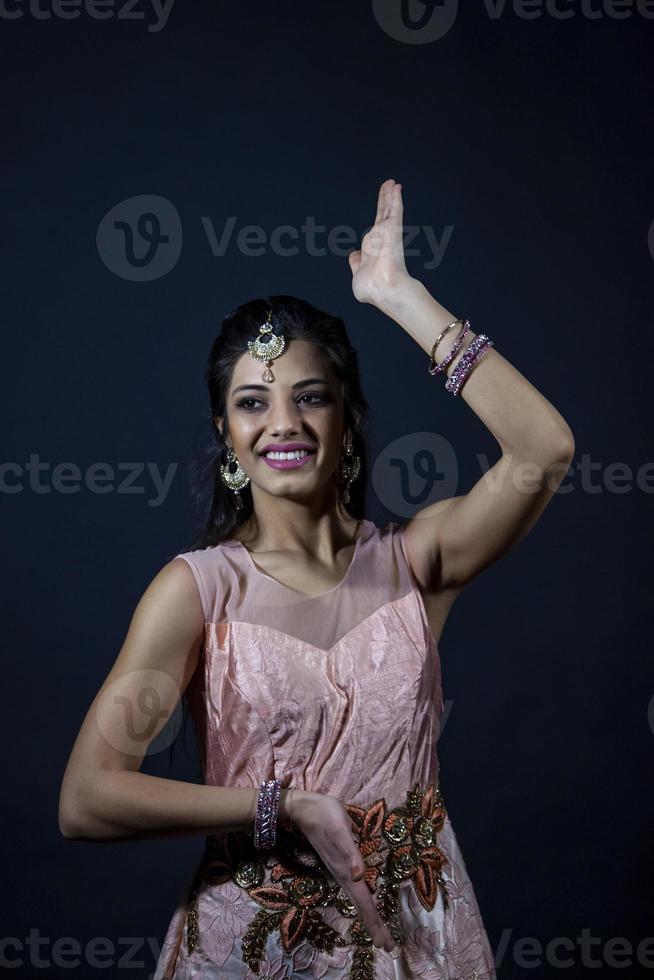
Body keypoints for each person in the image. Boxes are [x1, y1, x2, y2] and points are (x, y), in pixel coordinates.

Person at [58, 178, 575, 980]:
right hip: (254, 950)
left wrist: (402, 298)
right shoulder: (196, 592)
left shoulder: (416, 564)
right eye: (253, 403)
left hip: (419, 943)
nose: (284, 424)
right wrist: (283, 806)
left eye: (310, 398)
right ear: (228, 437)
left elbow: (544, 451)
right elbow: (87, 799)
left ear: (347, 422)